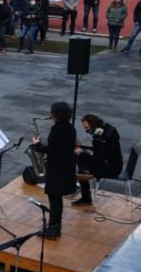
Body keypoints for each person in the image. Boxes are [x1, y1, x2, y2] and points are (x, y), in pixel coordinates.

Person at [31, 101, 76, 238]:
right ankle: (55, 226)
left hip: (58, 169)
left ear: (56, 115)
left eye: (52, 112)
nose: (50, 115)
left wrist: (37, 144)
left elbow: (50, 150)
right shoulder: (70, 127)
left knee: (55, 200)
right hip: (66, 167)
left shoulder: (57, 129)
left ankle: (53, 229)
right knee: (57, 199)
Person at [75, 114, 123, 206]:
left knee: (82, 169)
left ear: (93, 125)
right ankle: (84, 172)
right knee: (81, 159)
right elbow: (99, 152)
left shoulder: (105, 138)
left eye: (87, 127)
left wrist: (81, 153)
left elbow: (97, 159)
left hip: (111, 168)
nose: (86, 130)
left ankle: (86, 197)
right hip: (107, 163)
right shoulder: (103, 131)